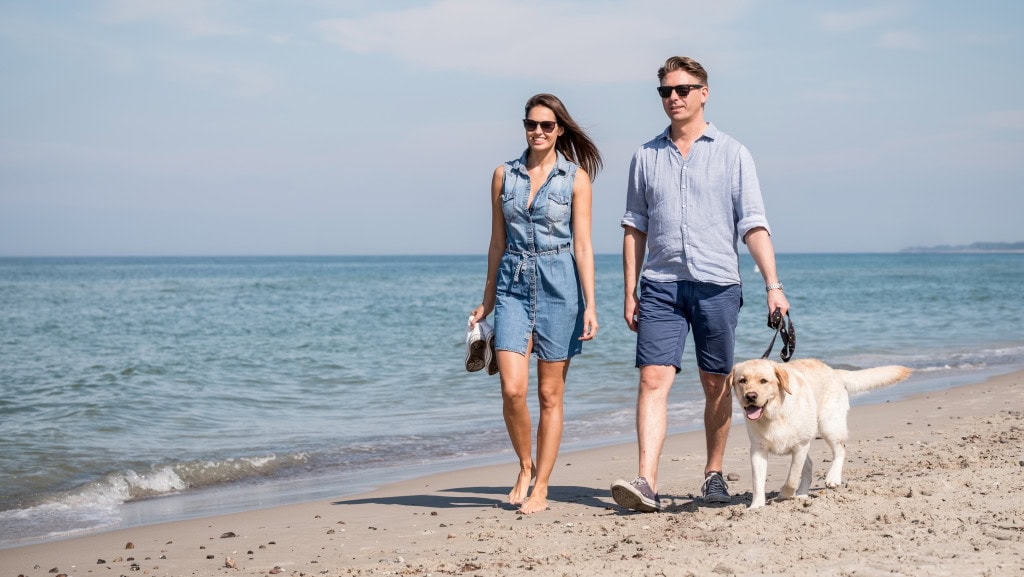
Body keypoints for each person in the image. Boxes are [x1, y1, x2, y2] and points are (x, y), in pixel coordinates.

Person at [610, 56, 790, 512]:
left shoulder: (733, 153)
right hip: (661, 285)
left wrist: (773, 285)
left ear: (703, 93)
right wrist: (631, 289)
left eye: (683, 90)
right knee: (653, 379)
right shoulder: (645, 155)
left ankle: (713, 473)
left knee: (716, 384)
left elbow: (753, 224)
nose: (674, 98)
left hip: (717, 286)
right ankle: (646, 481)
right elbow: (634, 226)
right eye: (666, 92)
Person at [469, 94, 602, 515]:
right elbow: (496, 241)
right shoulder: (502, 175)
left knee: (549, 393)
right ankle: (524, 466)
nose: (538, 132)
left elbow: (583, 245)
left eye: (547, 125)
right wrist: (487, 299)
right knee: (512, 389)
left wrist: (591, 304)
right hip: (512, 283)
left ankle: (541, 485)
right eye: (531, 124)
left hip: (561, 284)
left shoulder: (575, 178)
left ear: (560, 128)